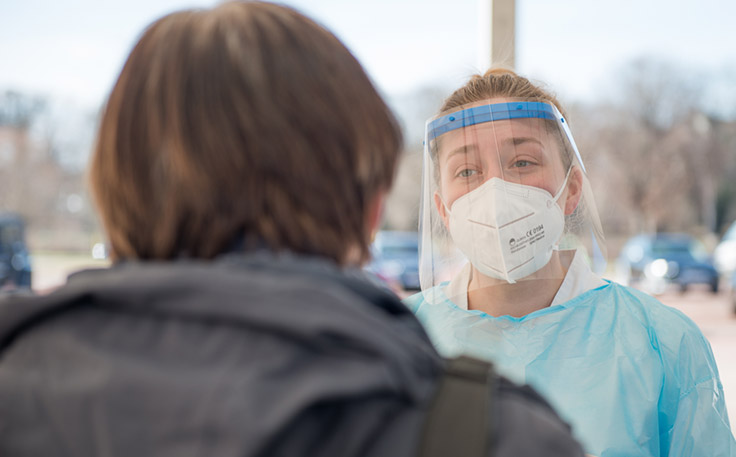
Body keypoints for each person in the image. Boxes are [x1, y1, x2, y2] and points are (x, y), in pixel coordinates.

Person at [0, 4, 586, 457]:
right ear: (372, 210)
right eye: (467, 170)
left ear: (111, 189)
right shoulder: (498, 436)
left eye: (522, 162)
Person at [405, 68, 736, 457]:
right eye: (467, 171)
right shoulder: (399, 340)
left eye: (522, 162)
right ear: (442, 211)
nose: (494, 190)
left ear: (572, 190)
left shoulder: (662, 343)